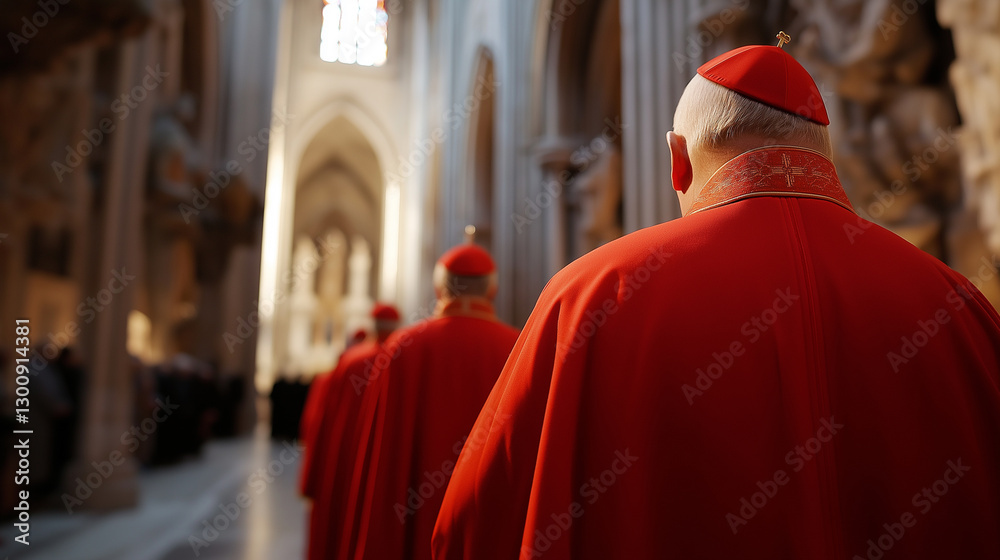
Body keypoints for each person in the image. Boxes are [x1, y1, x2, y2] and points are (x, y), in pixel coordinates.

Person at [432, 40, 1000, 559]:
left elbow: (470, 526)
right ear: (821, 148)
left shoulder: (589, 297)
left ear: (678, 160)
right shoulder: (961, 306)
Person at [346, 243, 520, 560]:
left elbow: (381, 456)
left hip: (412, 511)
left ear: (439, 287)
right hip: (487, 523)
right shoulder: (518, 346)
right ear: (492, 289)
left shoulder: (404, 346)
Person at [299, 303, 400, 560]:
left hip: (347, 461)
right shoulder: (402, 359)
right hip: (390, 467)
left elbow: (323, 422)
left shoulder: (350, 362)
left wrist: (313, 477)